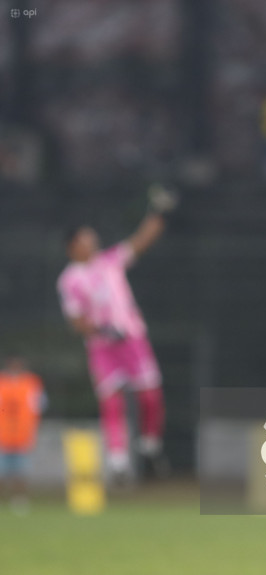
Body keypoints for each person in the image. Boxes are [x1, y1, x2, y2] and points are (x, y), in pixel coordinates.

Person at [56, 186, 177, 483]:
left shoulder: (110, 261)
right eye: (85, 239)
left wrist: (158, 213)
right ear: (73, 246)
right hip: (103, 347)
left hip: (133, 339)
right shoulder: (70, 279)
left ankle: (150, 448)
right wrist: (99, 329)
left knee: (150, 397)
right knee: (112, 403)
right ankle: (119, 462)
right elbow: (76, 320)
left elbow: (141, 241)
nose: (92, 242)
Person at [0, 356, 46, 515]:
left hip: (22, 435)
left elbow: (39, 405)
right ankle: (6, 499)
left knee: (20, 471)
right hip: (3, 435)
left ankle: (19, 500)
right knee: (4, 471)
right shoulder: (2, 382)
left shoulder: (31, 383)